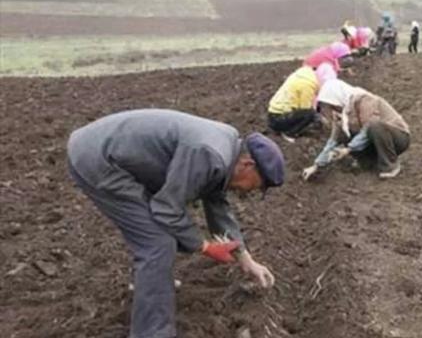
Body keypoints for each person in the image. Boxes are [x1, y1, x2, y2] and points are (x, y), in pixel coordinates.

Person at [67, 109, 285, 338]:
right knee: (157, 242)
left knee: (161, 235)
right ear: (248, 165)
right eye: (258, 186)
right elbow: (166, 210)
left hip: (112, 153)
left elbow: (216, 203)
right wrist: (206, 247)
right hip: (99, 159)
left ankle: (150, 286)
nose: (251, 192)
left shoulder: (227, 148)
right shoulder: (209, 153)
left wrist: (245, 258)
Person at [302, 79, 410, 180]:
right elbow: (333, 141)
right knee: (347, 136)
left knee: (374, 126)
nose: (332, 110)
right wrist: (316, 165)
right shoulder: (342, 115)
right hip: (380, 139)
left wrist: (348, 149)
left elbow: (368, 127)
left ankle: (391, 166)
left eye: (331, 105)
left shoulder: (364, 100)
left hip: (399, 137)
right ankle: (370, 162)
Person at [267, 65, 327, 142]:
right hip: (279, 119)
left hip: (272, 116)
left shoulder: (301, 75)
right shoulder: (308, 85)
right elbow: (305, 108)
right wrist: (319, 118)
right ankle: (290, 133)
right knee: (309, 113)